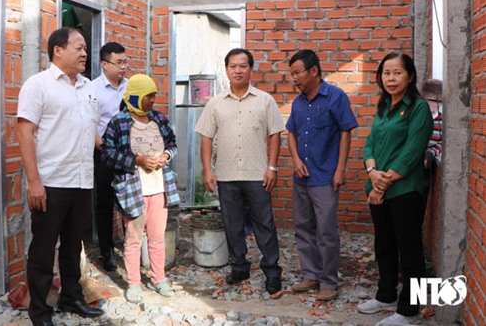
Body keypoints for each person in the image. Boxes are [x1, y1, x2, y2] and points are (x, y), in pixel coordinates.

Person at [17, 27, 104, 326]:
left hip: (82, 180)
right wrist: (33, 181)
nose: (84, 53)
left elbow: (88, 129)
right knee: (43, 250)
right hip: (51, 183)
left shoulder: (89, 87)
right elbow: (24, 131)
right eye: (78, 47)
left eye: (84, 48)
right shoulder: (38, 85)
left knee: (72, 246)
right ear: (58, 50)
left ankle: (71, 297)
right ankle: (40, 312)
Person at [195, 48, 284, 294]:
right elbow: (205, 137)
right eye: (233, 66)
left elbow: (275, 134)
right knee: (232, 224)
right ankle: (239, 267)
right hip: (226, 174)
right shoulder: (215, 103)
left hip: (258, 175)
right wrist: (207, 170)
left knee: (264, 224)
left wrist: (272, 167)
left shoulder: (265, 100)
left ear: (251, 69)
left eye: (243, 66)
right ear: (226, 70)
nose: (238, 70)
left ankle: (272, 271)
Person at [358, 53, 433, 326]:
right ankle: (386, 295)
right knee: (384, 245)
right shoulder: (383, 106)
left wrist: (382, 183)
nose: (390, 78)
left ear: (410, 76)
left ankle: (409, 310)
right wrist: (372, 172)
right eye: (386, 73)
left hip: (405, 191)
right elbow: (369, 144)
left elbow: (412, 153)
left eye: (397, 72)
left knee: (409, 249)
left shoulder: (419, 108)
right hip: (378, 186)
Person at [286, 50, 358, 301]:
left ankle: (329, 281)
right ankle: (310, 275)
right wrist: (295, 160)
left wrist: (340, 169)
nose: (294, 78)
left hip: (326, 176)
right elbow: (291, 133)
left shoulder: (335, 97)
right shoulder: (297, 102)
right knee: (303, 227)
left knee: (326, 231)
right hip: (301, 178)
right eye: (291, 74)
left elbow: (346, 131)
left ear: (314, 71)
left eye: (298, 72)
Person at [101, 74, 179, 303]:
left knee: (157, 237)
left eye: (154, 95)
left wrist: (166, 155)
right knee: (133, 238)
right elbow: (108, 154)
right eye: (148, 96)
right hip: (132, 191)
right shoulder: (119, 122)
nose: (153, 100)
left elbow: (173, 144)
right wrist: (137, 161)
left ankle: (158, 279)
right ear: (134, 97)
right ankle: (134, 283)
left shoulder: (158, 119)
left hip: (158, 189)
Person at [90, 42, 129, 271]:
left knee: (129, 201)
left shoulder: (130, 87)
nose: (124, 66)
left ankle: (130, 246)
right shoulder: (93, 89)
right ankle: (107, 251)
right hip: (103, 153)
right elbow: (90, 123)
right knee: (105, 202)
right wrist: (104, 147)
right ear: (105, 64)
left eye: (126, 61)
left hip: (128, 154)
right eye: (119, 62)